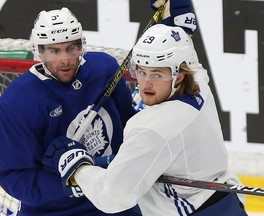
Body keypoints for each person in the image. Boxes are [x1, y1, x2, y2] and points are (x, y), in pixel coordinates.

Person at [41, 1, 249, 215]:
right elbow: (189, 60)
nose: (146, 83)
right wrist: (177, 27)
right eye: (141, 71)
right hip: (227, 204)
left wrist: (78, 168)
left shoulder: (152, 130)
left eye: (157, 74)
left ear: (178, 76)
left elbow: (113, 197)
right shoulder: (199, 84)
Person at [0, 7, 140, 216]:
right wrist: (77, 181)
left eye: (71, 48)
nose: (65, 60)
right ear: (40, 51)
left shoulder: (104, 69)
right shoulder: (17, 102)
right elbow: (15, 177)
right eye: (54, 50)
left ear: (81, 45)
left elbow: (129, 124)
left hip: (115, 203)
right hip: (52, 212)